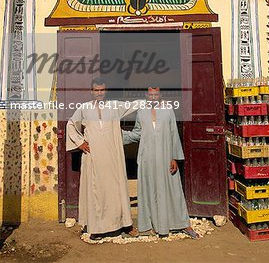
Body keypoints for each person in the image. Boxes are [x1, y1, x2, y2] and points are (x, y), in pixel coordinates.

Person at [66, 77, 143, 240]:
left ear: (105, 90)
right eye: (96, 90)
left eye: (102, 90)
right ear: (92, 91)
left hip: (113, 158)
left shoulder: (114, 106)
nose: (99, 93)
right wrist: (80, 143)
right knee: (96, 192)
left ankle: (126, 225)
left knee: (117, 190)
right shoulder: (84, 108)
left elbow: (134, 105)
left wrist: (151, 99)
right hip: (93, 158)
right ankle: (97, 228)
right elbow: (71, 124)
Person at [123, 87, 199, 238]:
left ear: (160, 95)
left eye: (156, 94)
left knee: (172, 189)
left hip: (165, 157)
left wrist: (174, 157)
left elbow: (173, 133)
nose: (153, 97)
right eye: (150, 94)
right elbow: (138, 132)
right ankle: (151, 225)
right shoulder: (141, 111)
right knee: (150, 189)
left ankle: (182, 223)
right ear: (146, 95)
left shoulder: (168, 110)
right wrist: (116, 135)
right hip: (147, 158)